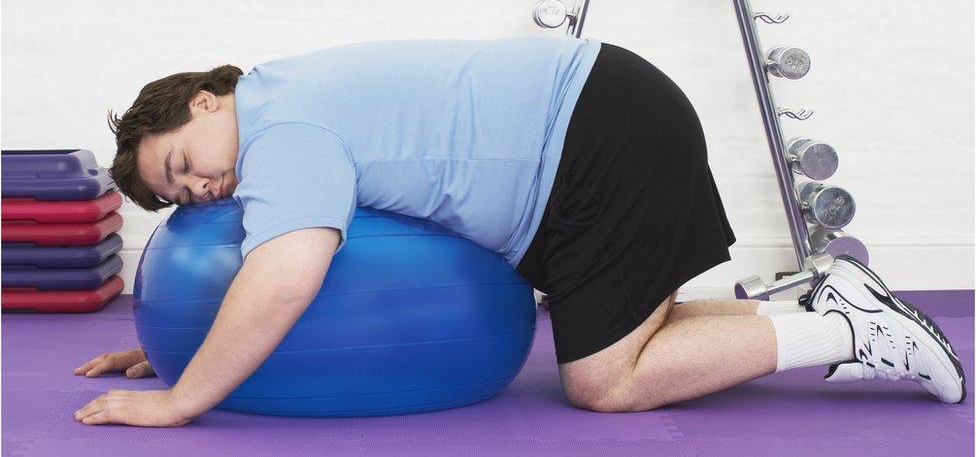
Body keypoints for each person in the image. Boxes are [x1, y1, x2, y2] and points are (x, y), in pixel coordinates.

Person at [73, 37, 966, 427]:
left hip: (595, 139)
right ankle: (830, 300)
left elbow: (281, 280)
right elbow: (262, 283)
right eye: (181, 197)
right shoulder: (283, 95)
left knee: (604, 384)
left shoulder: (282, 134)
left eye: (180, 163)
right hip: (603, 115)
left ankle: (847, 329)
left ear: (202, 100)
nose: (200, 187)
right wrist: (184, 340)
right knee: (633, 344)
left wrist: (185, 398)